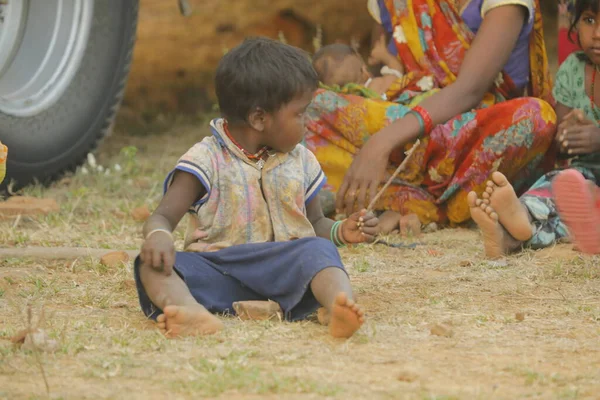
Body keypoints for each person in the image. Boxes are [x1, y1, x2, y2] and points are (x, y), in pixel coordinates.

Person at [134, 37, 380, 339]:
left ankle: (339, 306)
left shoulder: (300, 160)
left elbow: (314, 223)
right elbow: (161, 217)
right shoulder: (206, 159)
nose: (307, 123)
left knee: (318, 250)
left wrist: (340, 231)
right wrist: (158, 238)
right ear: (259, 118)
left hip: (284, 272)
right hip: (219, 269)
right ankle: (188, 310)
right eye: (300, 113)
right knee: (151, 265)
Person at [305, 0, 556, 230]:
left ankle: (420, 205)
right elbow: (379, 78)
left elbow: (469, 90)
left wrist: (380, 142)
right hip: (400, 132)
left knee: (536, 116)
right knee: (308, 105)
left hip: (465, 138)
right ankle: (409, 201)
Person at [468, 0, 600, 257]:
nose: (597, 34)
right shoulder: (573, 69)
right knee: (557, 186)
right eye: (589, 20)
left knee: (580, 201)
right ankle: (512, 228)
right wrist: (569, 132)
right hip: (584, 175)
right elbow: (560, 142)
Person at [312, 41, 404, 99]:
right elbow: (396, 71)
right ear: (364, 72)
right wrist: (384, 55)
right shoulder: (374, 87)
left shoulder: (340, 105)